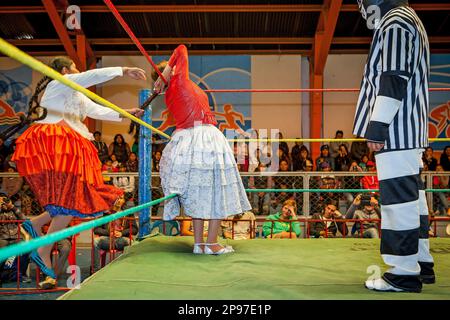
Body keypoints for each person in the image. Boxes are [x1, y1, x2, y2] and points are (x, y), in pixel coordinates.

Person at [12, 56, 146, 289]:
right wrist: (123, 70)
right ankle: (42, 248)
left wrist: (126, 112)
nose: (78, 70)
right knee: (70, 199)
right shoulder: (59, 83)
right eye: (74, 67)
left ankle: (35, 226)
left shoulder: (77, 95)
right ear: (65, 70)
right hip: (59, 145)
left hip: (75, 147)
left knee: (73, 199)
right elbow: (87, 77)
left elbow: (98, 110)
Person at [353, 0, 435, 292]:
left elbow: (394, 76)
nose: (361, 7)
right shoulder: (408, 18)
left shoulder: (395, 21)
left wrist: (378, 126)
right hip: (407, 129)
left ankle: (402, 272)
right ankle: (421, 263)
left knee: (398, 202)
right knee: (413, 200)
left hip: (397, 130)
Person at [153, 45, 251, 255]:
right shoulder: (177, 82)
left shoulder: (173, 90)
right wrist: (168, 71)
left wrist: (164, 76)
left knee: (199, 191)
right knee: (215, 189)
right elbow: (181, 49)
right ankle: (212, 243)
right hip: (203, 137)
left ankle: (199, 244)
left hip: (189, 139)